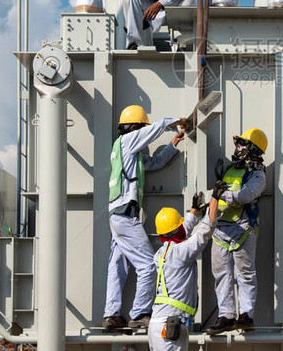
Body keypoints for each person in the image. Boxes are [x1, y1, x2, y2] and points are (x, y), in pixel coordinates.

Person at [102, 105, 189, 331]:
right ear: (135, 127)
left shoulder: (128, 152)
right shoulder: (128, 141)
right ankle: (140, 313)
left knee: (117, 266)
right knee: (149, 266)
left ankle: (112, 314)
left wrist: (172, 146)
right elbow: (153, 131)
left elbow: (154, 163)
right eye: (142, 129)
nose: (145, 136)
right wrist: (174, 121)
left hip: (118, 215)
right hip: (125, 215)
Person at [206, 128, 268, 335]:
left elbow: (244, 196)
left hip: (243, 228)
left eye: (242, 144)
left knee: (245, 274)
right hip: (221, 229)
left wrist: (220, 194)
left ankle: (246, 316)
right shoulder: (229, 169)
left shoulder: (258, 175)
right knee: (221, 275)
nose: (237, 148)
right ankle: (226, 316)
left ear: (252, 149)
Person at [147, 192, 218, 351]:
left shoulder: (160, 254)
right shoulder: (180, 252)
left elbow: (179, 232)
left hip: (160, 324)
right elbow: (205, 230)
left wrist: (193, 210)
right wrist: (215, 198)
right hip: (170, 325)